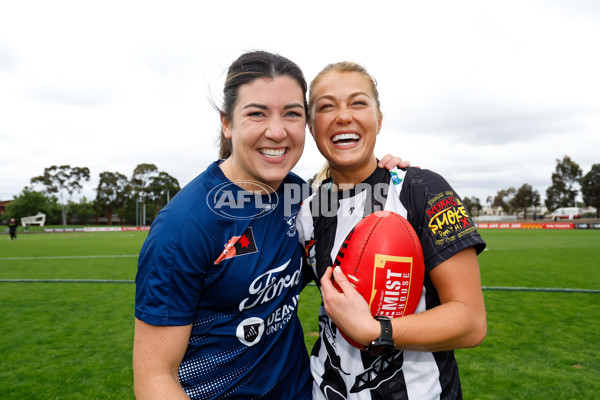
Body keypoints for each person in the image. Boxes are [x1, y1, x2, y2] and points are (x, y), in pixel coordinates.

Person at [133, 51, 408, 400]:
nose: (277, 132)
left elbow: (361, 233)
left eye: (291, 114)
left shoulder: (304, 200)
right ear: (227, 123)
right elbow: (155, 378)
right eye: (256, 114)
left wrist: (385, 173)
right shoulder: (184, 226)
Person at [297, 61, 487, 399]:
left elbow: (470, 322)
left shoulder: (422, 189)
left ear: (379, 120)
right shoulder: (307, 210)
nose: (343, 116)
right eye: (326, 106)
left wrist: (375, 330)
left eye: (358, 102)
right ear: (312, 127)